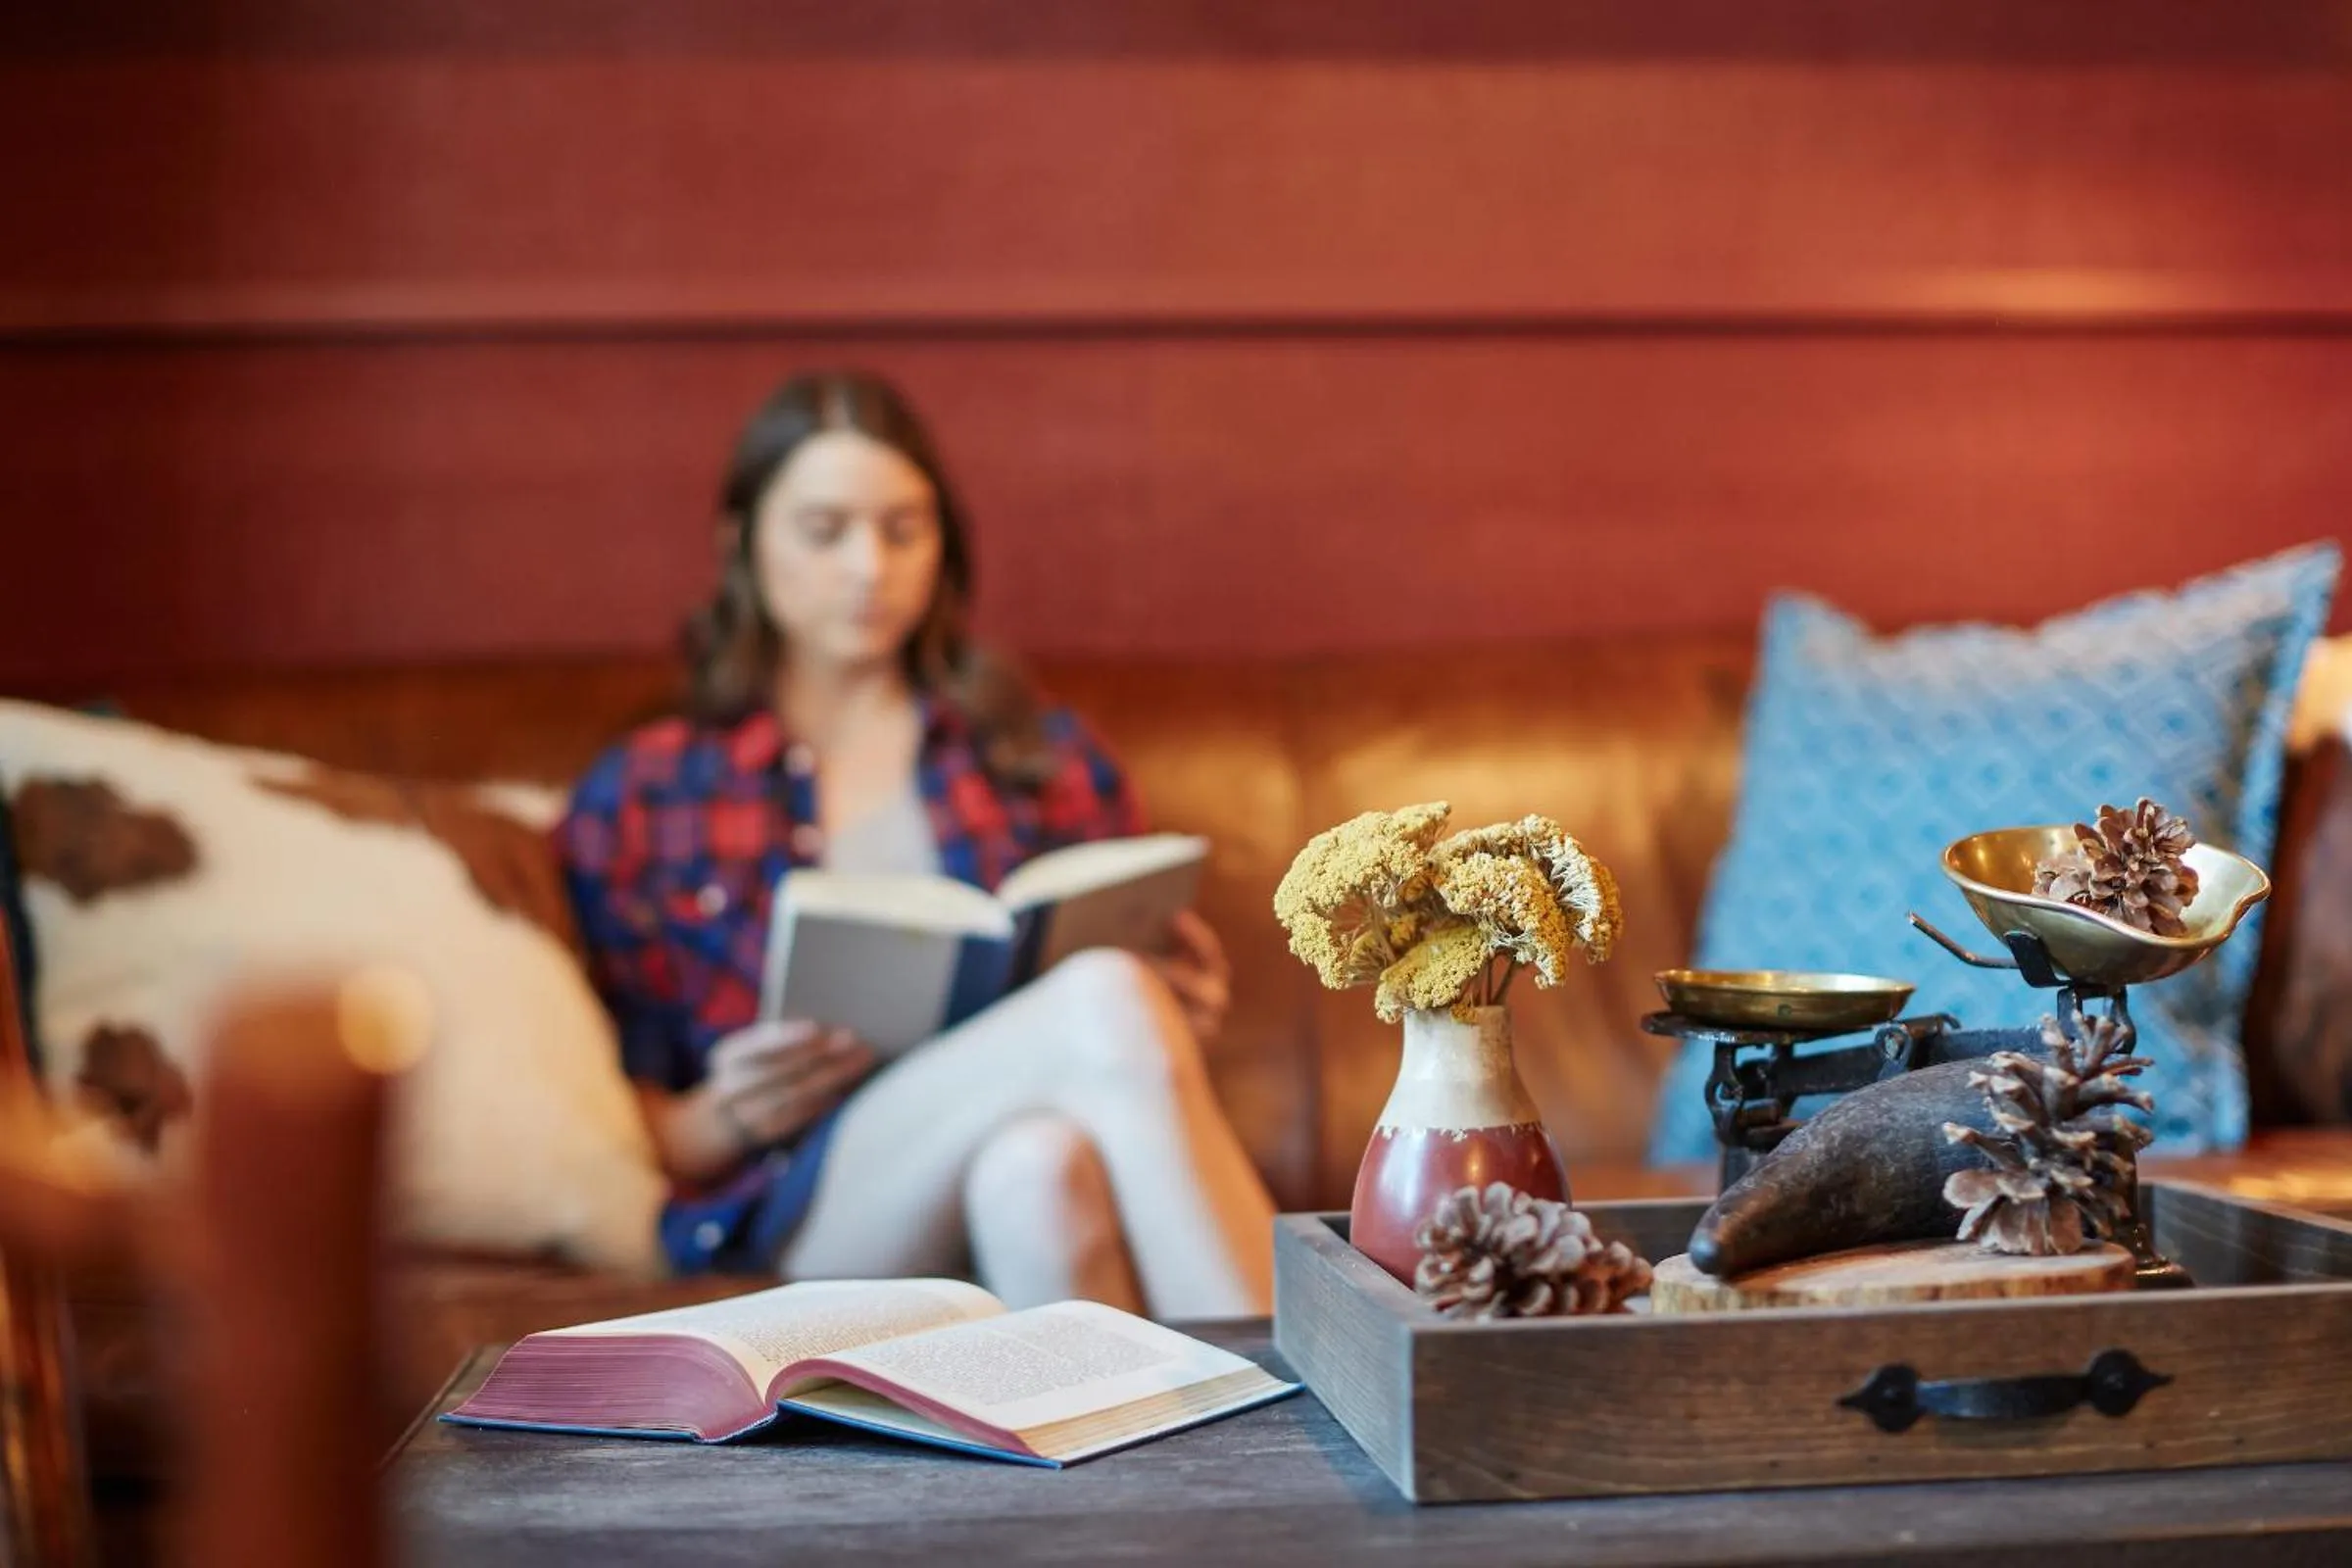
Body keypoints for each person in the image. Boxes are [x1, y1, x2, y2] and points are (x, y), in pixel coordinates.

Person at [558, 370, 1275, 1317]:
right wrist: (727, 1113)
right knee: (1101, 1003)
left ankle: (1131, 1457)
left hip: (1026, 1153)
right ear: (742, 544)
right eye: (824, 531)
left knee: (1038, 1170)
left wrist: (1173, 1010)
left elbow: (1128, 1047)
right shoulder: (651, 792)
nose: (869, 568)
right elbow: (619, 1129)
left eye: (904, 530)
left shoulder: (1039, 756)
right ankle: (1308, 1399)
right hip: (810, 1212)